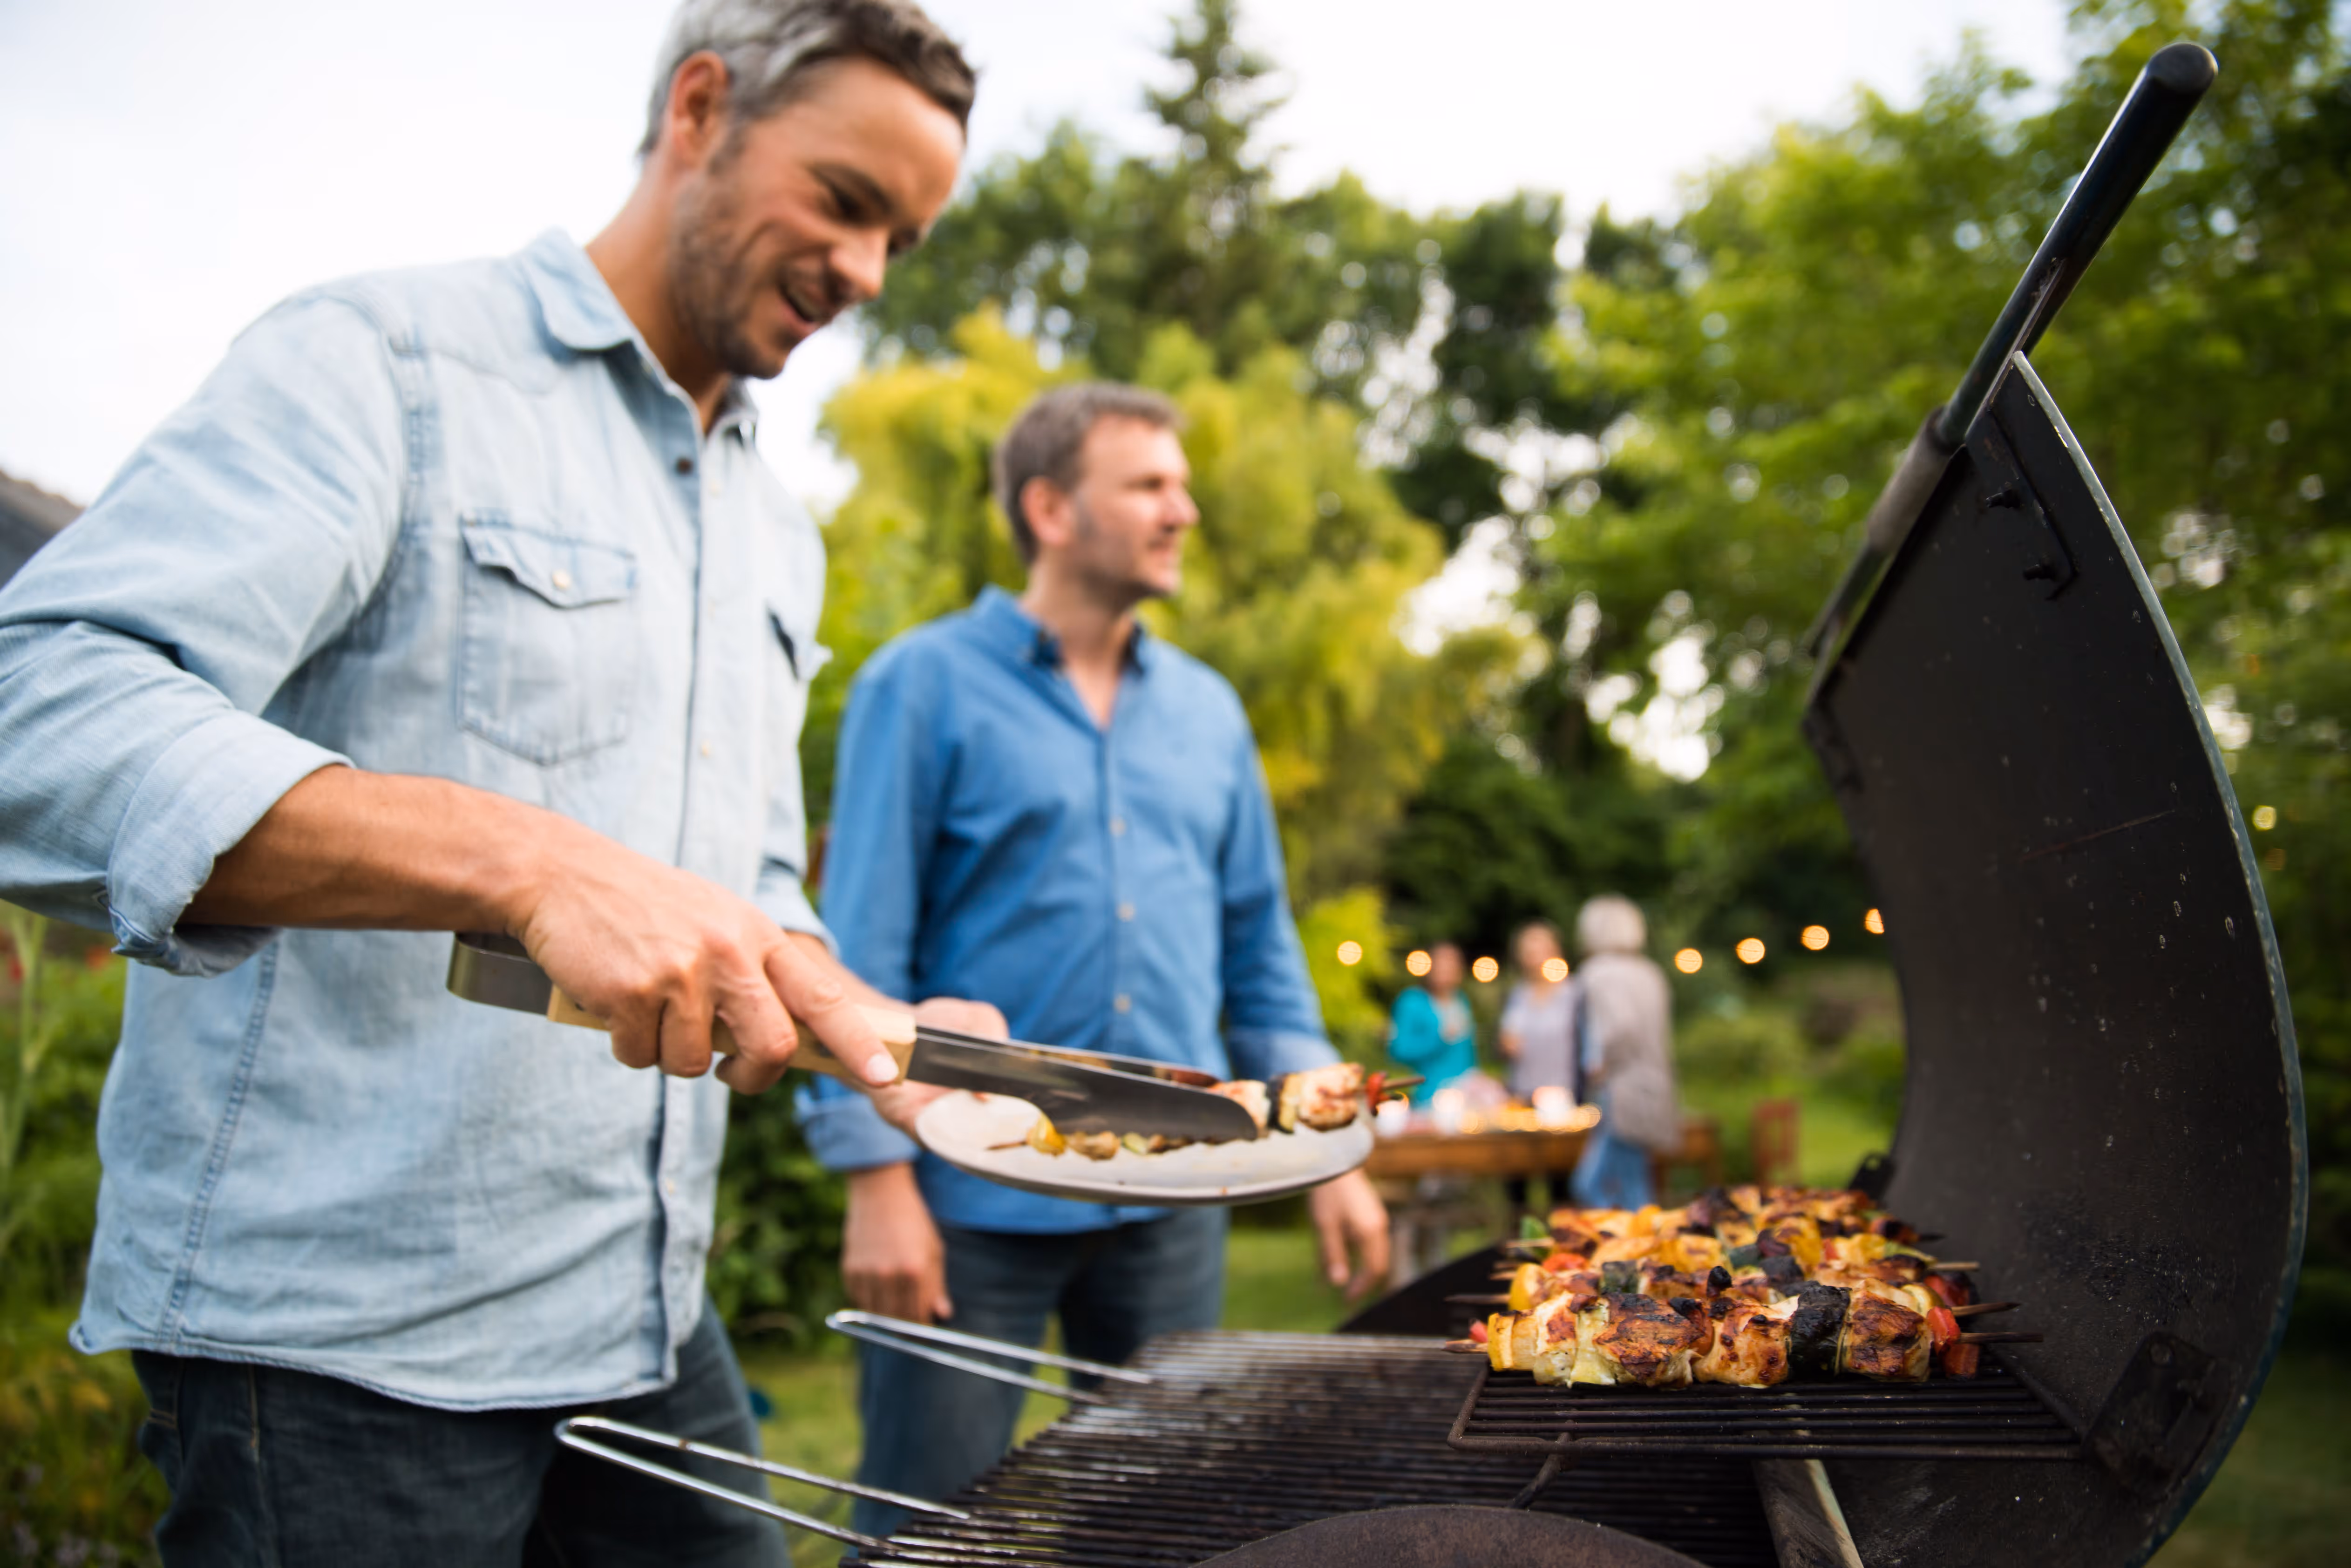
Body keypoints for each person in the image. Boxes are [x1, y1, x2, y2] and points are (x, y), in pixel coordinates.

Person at [0, 4, 998, 1561]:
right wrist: (518, 856)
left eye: (903, 240)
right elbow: (36, 706)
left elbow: (732, 886)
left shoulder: (773, 528)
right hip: (339, 1353)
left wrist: (865, 1021)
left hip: (642, 1318)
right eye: (847, 201)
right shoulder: (386, 363)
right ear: (697, 107)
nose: (868, 273)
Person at [799, 382, 1391, 1538]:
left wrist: (1337, 1149)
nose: (1187, 509)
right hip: (973, 1193)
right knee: (927, 1529)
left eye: (1181, 483)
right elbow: (858, 955)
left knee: (1176, 1526)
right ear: (1053, 510)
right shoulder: (919, 686)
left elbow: (1262, 960)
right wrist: (873, 1180)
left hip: (1180, 1192)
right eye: (1152, 485)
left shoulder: (1211, 713)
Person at [1568, 895, 1682, 1209]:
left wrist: (1600, 1064)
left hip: (1621, 1092)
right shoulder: (1650, 972)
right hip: (1655, 1088)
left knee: (1592, 1184)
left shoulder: (1599, 972)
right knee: (1635, 1181)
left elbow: (1620, 1027)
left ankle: (1623, 1250)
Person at [1498, 919, 1577, 1211]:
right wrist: (1506, 1045)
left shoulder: (1572, 993)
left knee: (1560, 1177)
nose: (1533, 956)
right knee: (1517, 1177)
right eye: (1527, 950)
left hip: (1562, 1096)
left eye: (1539, 948)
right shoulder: (1519, 995)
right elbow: (1507, 1038)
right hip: (1522, 1093)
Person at [1386, 941, 1477, 1104]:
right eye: (1441, 965)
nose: (1446, 971)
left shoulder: (1461, 1000)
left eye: (1451, 965)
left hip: (1466, 1091)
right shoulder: (1411, 1001)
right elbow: (1399, 1049)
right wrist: (1439, 1039)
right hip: (1428, 1094)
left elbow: (1467, 1055)